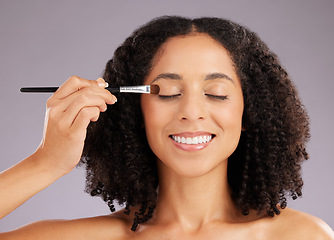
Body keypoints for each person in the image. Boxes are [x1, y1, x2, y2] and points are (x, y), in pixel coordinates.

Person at [0, 16, 333, 239]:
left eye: (216, 94)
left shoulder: (300, 236)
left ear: (249, 114)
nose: (191, 112)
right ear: (136, 111)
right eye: (169, 93)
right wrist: (46, 163)